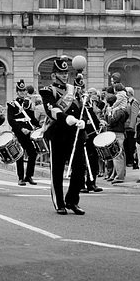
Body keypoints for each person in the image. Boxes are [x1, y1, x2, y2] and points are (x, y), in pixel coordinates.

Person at [39, 56, 87, 215]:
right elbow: (51, 109)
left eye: (66, 72)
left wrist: (83, 121)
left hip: (75, 134)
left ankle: (72, 200)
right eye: (61, 72)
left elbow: (82, 108)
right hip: (58, 133)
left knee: (80, 169)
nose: (65, 75)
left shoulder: (74, 90)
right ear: (54, 75)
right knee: (57, 170)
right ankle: (59, 202)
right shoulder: (48, 91)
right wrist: (67, 118)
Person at [6, 79, 39, 185]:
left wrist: (40, 126)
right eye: (20, 91)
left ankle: (29, 176)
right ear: (17, 92)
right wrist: (21, 129)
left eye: (24, 90)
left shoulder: (29, 104)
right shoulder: (12, 104)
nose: (22, 93)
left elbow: (32, 119)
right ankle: (20, 177)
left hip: (28, 132)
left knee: (32, 153)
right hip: (18, 132)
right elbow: (11, 120)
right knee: (19, 155)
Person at [103, 93, 129, 184]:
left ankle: (119, 176)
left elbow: (112, 121)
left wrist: (110, 113)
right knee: (114, 155)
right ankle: (114, 174)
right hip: (113, 133)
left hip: (118, 133)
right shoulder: (114, 110)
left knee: (118, 155)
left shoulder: (120, 111)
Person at [124, 86, 139, 169]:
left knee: (131, 144)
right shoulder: (127, 101)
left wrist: (132, 126)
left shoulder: (133, 101)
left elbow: (134, 114)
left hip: (130, 126)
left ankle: (131, 160)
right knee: (126, 144)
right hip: (125, 126)